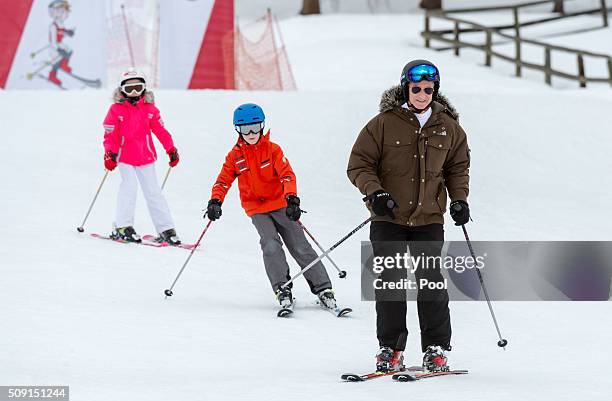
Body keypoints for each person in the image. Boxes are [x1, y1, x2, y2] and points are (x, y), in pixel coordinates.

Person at [347, 60, 471, 372]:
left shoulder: (449, 128)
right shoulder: (383, 123)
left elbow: (457, 168)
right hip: (388, 218)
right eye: (416, 88)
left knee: (431, 284)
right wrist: (375, 193)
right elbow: (359, 163)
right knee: (390, 283)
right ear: (406, 88)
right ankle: (390, 348)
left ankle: (436, 349)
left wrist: (459, 200)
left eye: (429, 89)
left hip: (429, 219)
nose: (422, 94)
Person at [206, 103, 338, 311]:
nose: (250, 133)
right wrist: (215, 200)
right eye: (245, 129)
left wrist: (292, 199)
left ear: (262, 126)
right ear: (237, 130)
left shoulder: (273, 149)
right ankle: (282, 289)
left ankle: (323, 288)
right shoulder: (235, 156)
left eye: (255, 127)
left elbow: (287, 175)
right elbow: (223, 181)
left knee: (300, 245)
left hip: (280, 204)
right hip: (256, 208)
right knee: (270, 244)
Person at [102, 68, 181, 245]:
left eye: (138, 87)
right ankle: (123, 226)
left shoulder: (150, 109)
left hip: (145, 156)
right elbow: (110, 135)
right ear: (121, 90)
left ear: (144, 88)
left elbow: (160, 131)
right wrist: (110, 153)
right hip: (124, 157)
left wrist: (171, 149)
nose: (134, 92)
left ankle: (166, 229)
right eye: (129, 89)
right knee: (128, 188)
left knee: (154, 192)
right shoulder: (116, 110)